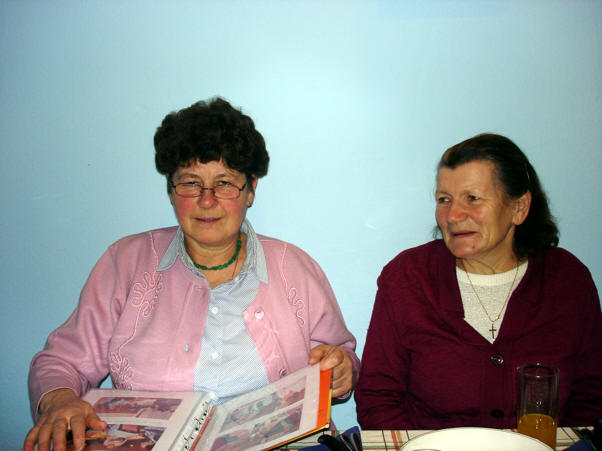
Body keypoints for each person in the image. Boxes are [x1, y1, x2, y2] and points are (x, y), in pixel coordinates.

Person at [25, 97, 359, 451]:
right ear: (171, 190)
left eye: (225, 183)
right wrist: (60, 401)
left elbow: (339, 357)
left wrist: (341, 368)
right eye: (191, 183)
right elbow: (61, 362)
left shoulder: (294, 267)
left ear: (250, 189)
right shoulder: (125, 263)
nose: (207, 200)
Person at [355, 133, 602, 430]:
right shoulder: (407, 278)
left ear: (519, 207)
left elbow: (591, 394)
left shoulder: (568, 281)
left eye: (472, 198)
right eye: (444, 200)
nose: (453, 215)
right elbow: (378, 398)